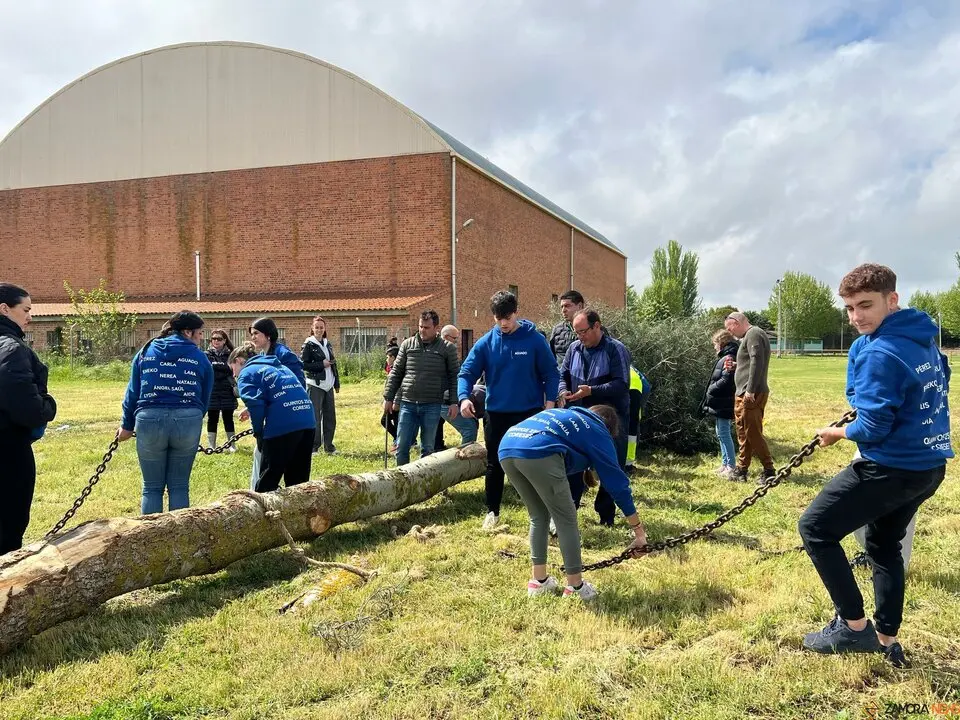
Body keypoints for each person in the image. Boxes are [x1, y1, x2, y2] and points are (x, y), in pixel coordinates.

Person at [799, 264, 953, 668]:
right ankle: (886, 640)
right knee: (884, 546)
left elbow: (874, 426)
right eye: (849, 308)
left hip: (889, 468)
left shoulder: (881, 352)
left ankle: (852, 628)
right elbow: (942, 379)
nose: (856, 317)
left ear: (892, 299)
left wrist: (837, 433)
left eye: (865, 305)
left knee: (815, 528)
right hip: (930, 466)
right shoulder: (924, 339)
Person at [499, 404, 647, 600]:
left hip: (507, 446)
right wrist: (638, 531)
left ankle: (539, 582)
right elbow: (618, 486)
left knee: (539, 515)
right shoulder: (597, 430)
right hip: (539, 450)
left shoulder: (571, 417)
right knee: (566, 519)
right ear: (610, 429)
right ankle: (576, 588)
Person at [458, 291, 560, 530]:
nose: (503, 323)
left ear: (516, 312)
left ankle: (550, 514)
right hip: (496, 414)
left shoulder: (535, 340)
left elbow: (551, 373)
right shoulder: (486, 343)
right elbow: (466, 373)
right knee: (495, 464)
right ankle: (492, 512)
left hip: (529, 413)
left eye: (507, 317)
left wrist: (550, 403)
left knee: (537, 463)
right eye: (498, 318)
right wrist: (464, 398)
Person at [118, 310, 213, 514]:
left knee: (151, 487)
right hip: (188, 418)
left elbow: (133, 391)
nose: (201, 337)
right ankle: (178, 538)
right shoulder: (200, 357)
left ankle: (151, 538)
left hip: (149, 418)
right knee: (179, 486)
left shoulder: (145, 351)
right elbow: (205, 396)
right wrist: (194, 418)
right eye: (199, 332)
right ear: (187, 332)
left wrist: (126, 426)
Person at [557, 308, 632, 525]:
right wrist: (563, 391)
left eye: (584, 331)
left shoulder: (615, 349)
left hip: (611, 419)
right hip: (579, 416)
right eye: (576, 332)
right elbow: (563, 375)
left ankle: (606, 515)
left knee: (610, 465)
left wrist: (592, 390)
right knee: (572, 462)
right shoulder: (573, 349)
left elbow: (621, 384)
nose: (580, 337)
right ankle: (570, 508)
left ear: (597, 326)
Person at [0, 283, 57, 553]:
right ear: (4, 309)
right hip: (8, 450)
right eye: (26, 310)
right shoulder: (12, 350)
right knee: (9, 524)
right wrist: (49, 405)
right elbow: (28, 408)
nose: (30, 317)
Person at [231, 342, 316, 491]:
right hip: (307, 421)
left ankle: (263, 513)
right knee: (298, 483)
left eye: (232, 369)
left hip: (283, 424)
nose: (234, 375)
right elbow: (279, 393)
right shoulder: (279, 366)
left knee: (267, 481)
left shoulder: (247, 373)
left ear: (239, 361)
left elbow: (256, 405)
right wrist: (249, 409)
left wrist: (259, 433)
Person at [383, 310, 460, 466]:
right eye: (420, 326)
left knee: (427, 448)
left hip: (432, 404)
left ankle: (424, 485)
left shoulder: (447, 348)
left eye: (426, 327)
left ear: (436, 328)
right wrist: (388, 398)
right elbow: (396, 372)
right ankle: (402, 483)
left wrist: (454, 401)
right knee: (402, 446)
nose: (422, 330)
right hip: (407, 403)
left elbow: (454, 376)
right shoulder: (407, 344)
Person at [244, 317, 306, 488]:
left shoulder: (283, 355)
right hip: (274, 412)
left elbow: (297, 384)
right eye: (252, 334)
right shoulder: (263, 355)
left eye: (256, 333)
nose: (253, 337)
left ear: (268, 335)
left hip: (289, 413)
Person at [723, 311, 775, 482]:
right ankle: (741, 469)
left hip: (751, 393)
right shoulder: (749, 336)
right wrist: (736, 366)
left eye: (729, 328)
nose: (729, 333)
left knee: (753, 433)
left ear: (736, 322)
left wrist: (750, 390)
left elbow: (757, 361)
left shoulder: (754, 334)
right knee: (744, 432)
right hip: (744, 391)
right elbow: (749, 363)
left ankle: (769, 470)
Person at [433, 324, 480, 451]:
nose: (457, 342)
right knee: (469, 429)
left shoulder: (445, 351)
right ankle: (464, 461)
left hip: (447, 400)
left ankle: (437, 448)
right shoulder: (439, 354)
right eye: (455, 339)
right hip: (445, 400)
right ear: (446, 337)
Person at [700, 329, 739, 478]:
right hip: (721, 401)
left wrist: (711, 389)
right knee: (720, 432)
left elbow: (726, 379)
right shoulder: (725, 356)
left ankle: (731, 465)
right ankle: (725, 464)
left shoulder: (728, 357)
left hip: (724, 400)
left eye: (715, 344)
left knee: (724, 432)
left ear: (721, 343)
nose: (714, 347)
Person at [301, 315, 340, 455]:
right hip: (315, 384)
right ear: (312, 328)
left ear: (325, 329)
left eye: (321, 327)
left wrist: (336, 383)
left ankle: (329, 446)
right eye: (316, 327)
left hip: (328, 384)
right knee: (315, 417)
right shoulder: (308, 344)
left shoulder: (327, 343)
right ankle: (313, 447)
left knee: (330, 417)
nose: (319, 330)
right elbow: (303, 365)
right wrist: (320, 365)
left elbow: (333, 363)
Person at [205, 329, 238, 453]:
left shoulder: (231, 354)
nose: (216, 341)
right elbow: (208, 369)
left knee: (228, 418)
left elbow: (231, 369)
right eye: (213, 338)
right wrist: (223, 367)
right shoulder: (206, 354)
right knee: (212, 418)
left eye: (219, 339)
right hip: (212, 391)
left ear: (224, 341)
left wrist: (216, 366)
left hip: (227, 391)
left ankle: (232, 445)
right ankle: (211, 445)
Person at [549, 290, 585, 367]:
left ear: (580, 306)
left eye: (567, 306)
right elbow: (550, 358)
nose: (563, 310)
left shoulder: (594, 329)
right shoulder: (557, 330)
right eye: (562, 306)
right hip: (562, 377)